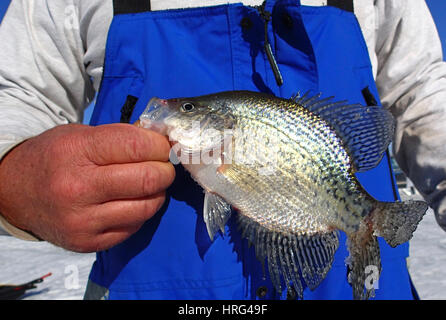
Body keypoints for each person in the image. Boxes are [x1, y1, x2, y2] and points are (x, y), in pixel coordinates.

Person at [0, 0, 445, 300]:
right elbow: (16, 93)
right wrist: (14, 175)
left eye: (189, 109)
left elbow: (424, 90)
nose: (177, 111)